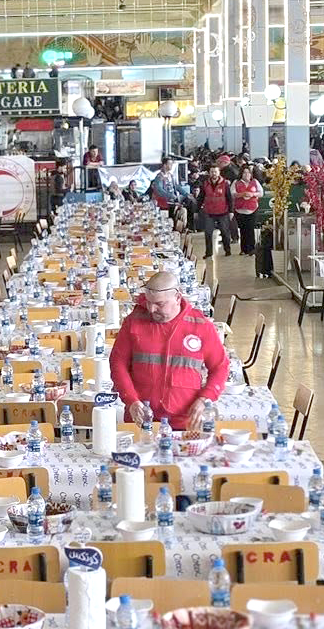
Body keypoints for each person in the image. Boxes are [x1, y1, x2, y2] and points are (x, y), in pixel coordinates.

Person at [108, 271, 230, 431]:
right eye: (149, 302)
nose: (151, 309)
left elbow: (220, 367)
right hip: (141, 419)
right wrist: (131, 400)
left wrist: (205, 399)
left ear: (178, 298)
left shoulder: (200, 326)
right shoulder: (133, 322)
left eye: (159, 304)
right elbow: (117, 363)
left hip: (184, 423)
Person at [231, 167, 265, 276]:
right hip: (240, 209)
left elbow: (261, 193)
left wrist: (252, 194)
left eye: (248, 173)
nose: (246, 175)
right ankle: (243, 249)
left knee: (250, 229)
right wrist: (242, 194)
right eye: (244, 173)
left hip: (252, 209)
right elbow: (232, 193)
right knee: (243, 229)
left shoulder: (255, 182)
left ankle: (251, 249)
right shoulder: (236, 183)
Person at [198, 164, 232, 257]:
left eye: (215, 171)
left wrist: (231, 211)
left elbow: (229, 198)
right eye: (212, 172)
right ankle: (208, 253)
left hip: (223, 212)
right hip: (209, 212)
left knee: (225, 232)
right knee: (208, 233)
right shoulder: (205, 184)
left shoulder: (225, 183)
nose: (214, 173)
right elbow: (201, 197)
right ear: (209, 173)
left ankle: (227, 250)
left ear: (219, 172)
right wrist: (197, 210)